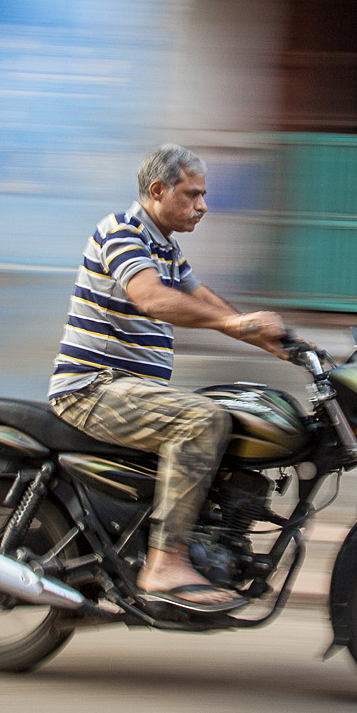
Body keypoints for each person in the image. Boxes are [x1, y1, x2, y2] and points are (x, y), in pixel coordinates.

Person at [48, 144, 287, 609]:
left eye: (203, 195)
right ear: (157, 191)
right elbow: (153, 299)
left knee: (237, 416)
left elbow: (203, 298)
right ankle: (165, 563)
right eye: (193, 194)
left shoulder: (166, 248)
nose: (203, 206)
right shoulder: (121, 231)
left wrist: (272, 341)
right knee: (203, 421)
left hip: (129, 391)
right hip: (92, 388)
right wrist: (237, 325)